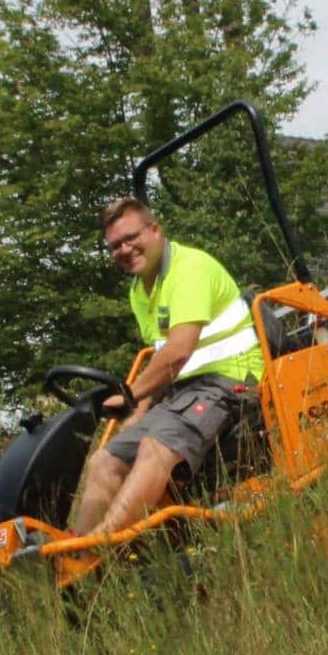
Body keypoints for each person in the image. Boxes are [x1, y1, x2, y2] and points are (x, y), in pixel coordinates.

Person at [67, 197, 263, 537]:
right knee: (104, 460)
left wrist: (129, 394)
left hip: (231, 381)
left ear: (155, 231)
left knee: (154, 447)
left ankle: (103, 544)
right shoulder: (139, 290)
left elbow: (177, 352)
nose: (125, 249)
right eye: (115, 245)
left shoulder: (190, 269)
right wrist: (136, 413)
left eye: (131, 237)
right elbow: (159, 357)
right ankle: (76, 554)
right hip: (184, 391)